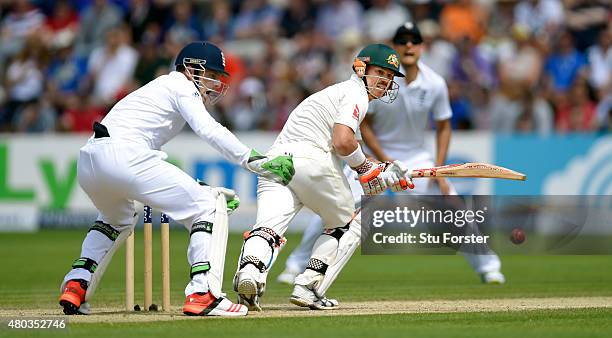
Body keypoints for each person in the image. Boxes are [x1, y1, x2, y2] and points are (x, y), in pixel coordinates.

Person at [57, 41, 294, 317]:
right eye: (213, 76)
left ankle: (77, 283)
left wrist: (192, 187)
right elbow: (209, 130)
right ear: (193, 69)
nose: (216, 84)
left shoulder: (159, 90)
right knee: (208, 206)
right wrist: (254, 160)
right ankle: (203, 293)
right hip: (125, 156)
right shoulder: (181, 85)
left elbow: (147, 174)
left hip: (92, 160)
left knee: (117, 218)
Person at [277, 22, 506, 287]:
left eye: (414, 41)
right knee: (338, 206)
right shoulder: (378, 82)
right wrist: (381, 160)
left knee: (453, 209)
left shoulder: (435, 84)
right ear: (395, 49)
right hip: (372, 156)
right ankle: (295, 265)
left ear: (422, 47)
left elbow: (444, 125)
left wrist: (440, 169)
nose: (409, 46)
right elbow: (363, 125)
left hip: (418, 158)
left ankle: (489, 267)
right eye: (403, 41)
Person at [233, 43, 413, 311]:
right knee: (343, 223)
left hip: (278, 161)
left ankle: (249, 275)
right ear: (361, 68)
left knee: (268, 228)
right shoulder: (356, 94)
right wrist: (368, 170)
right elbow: (342, 142)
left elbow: (354, 153)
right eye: (380, 73)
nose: (385, 82)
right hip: (312, 161)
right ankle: (308, 287)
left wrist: (386, 173)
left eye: (389, 77)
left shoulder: (338, 93)